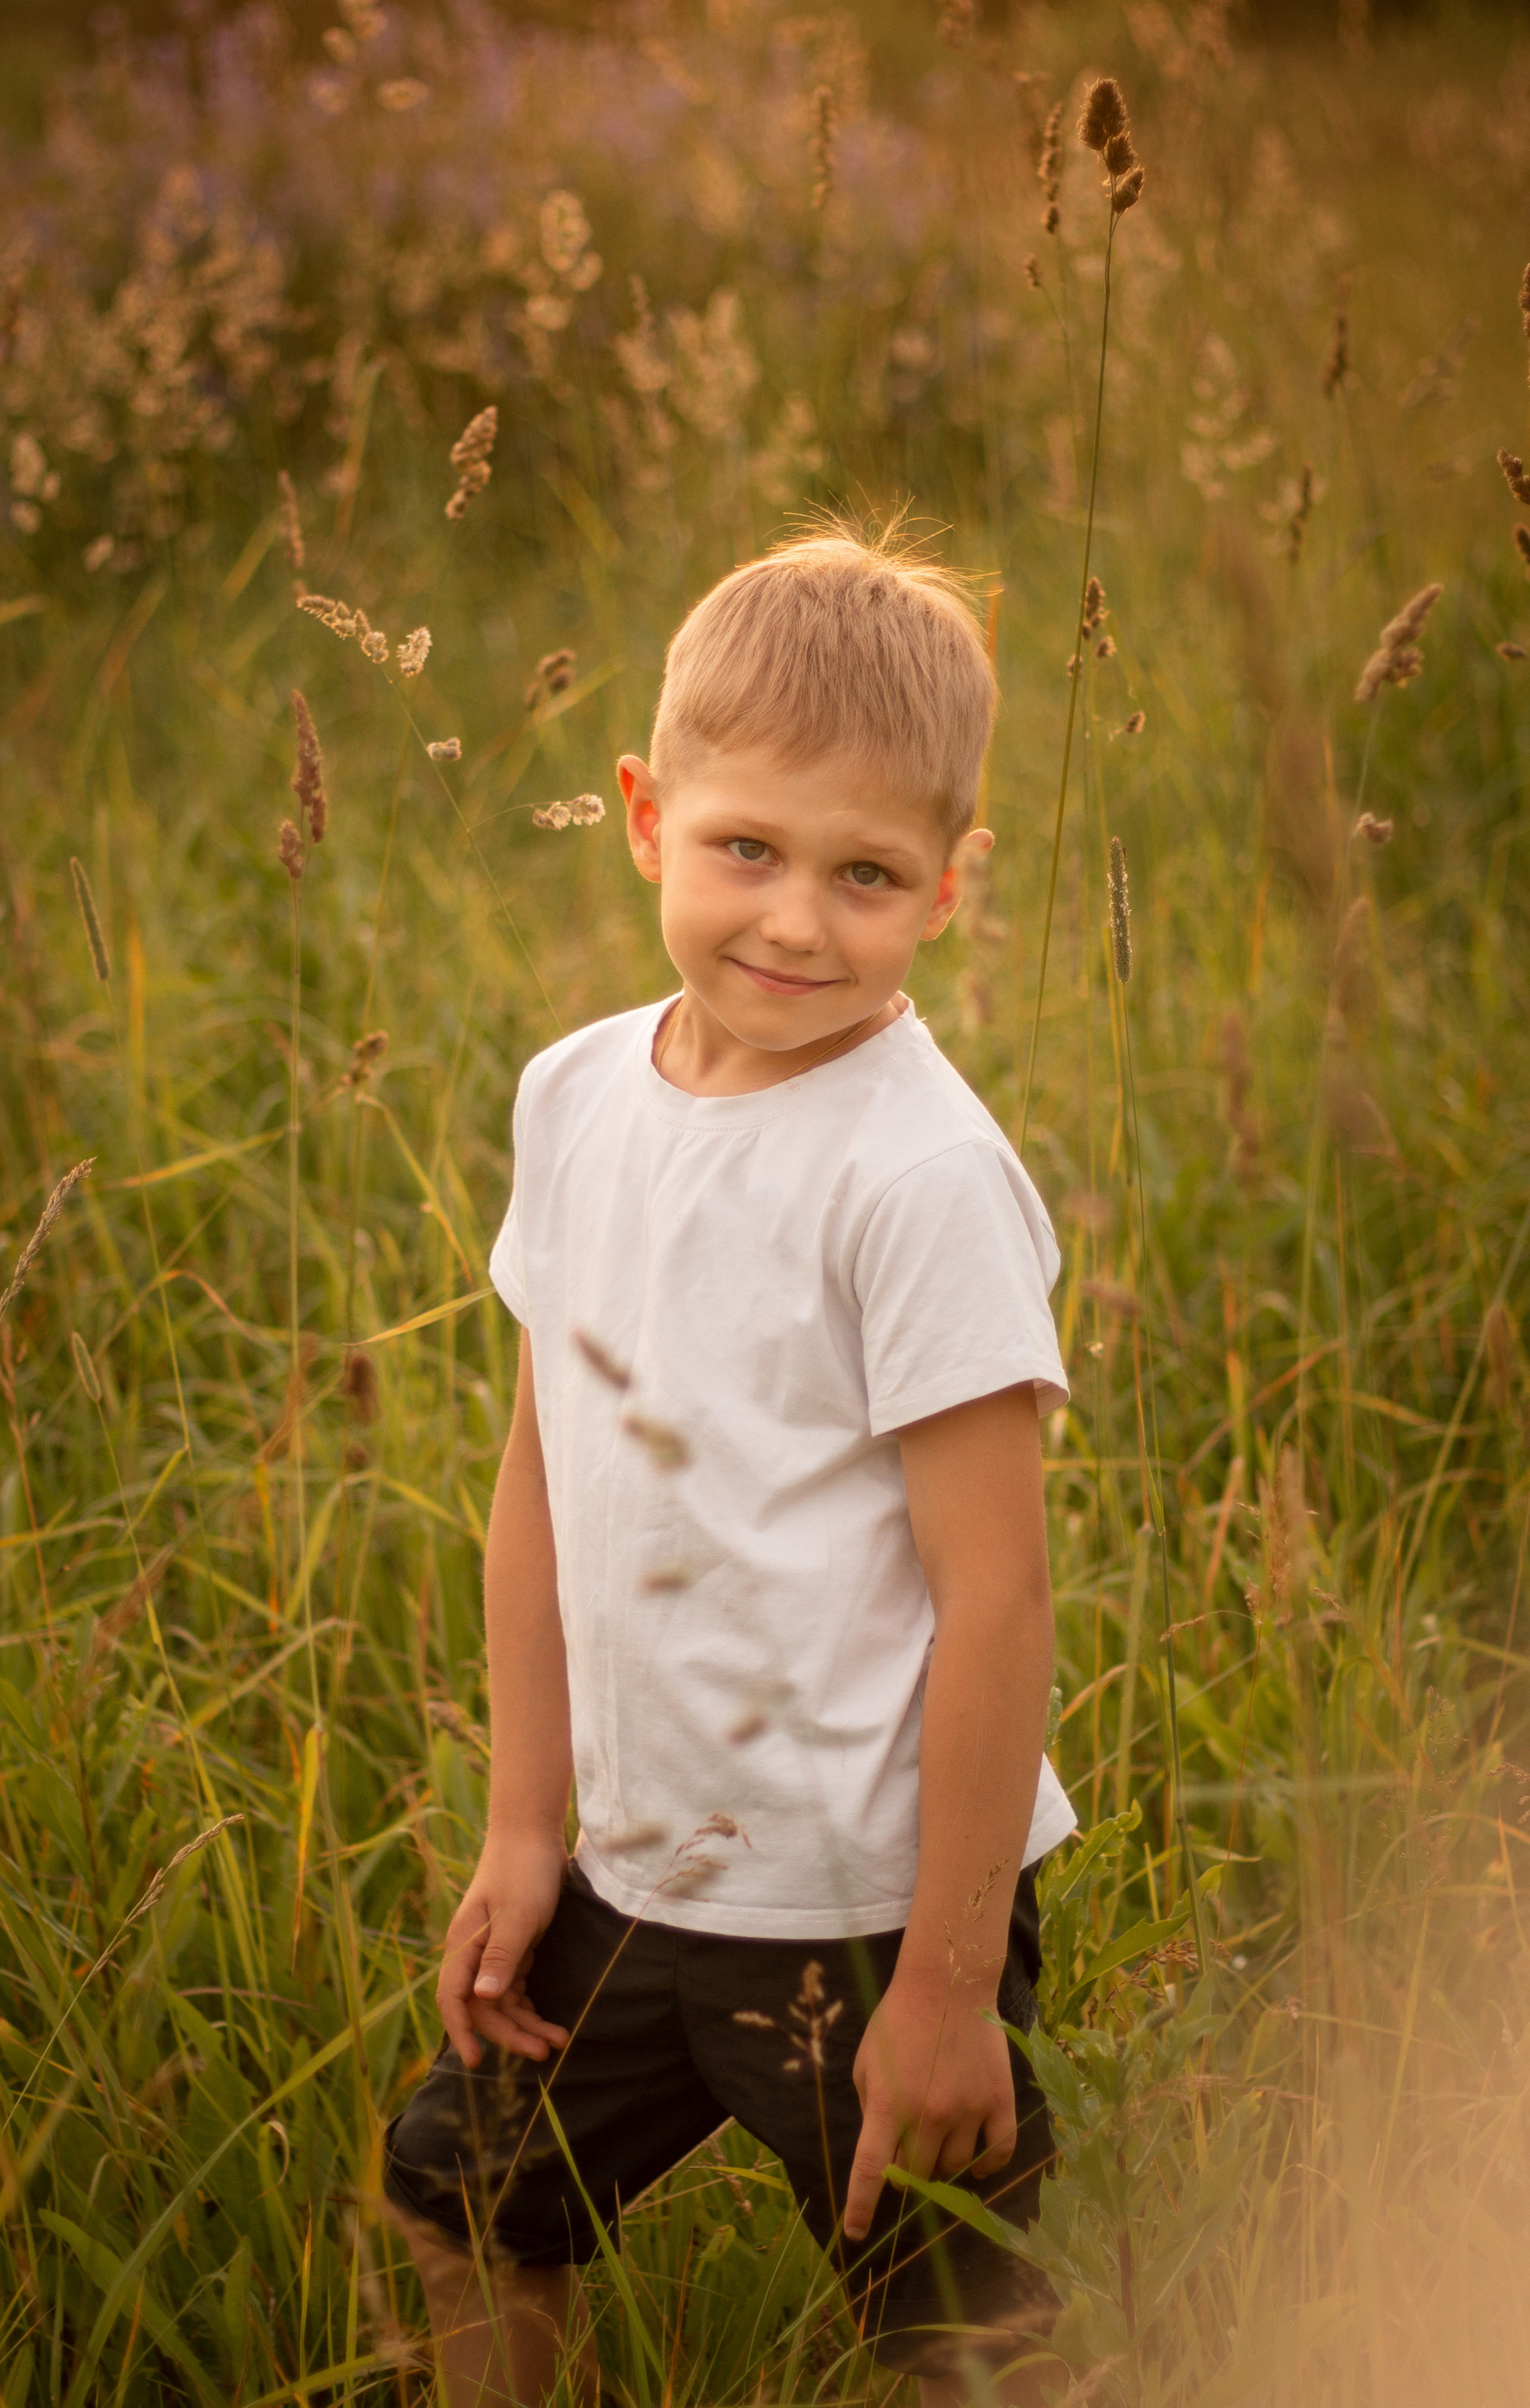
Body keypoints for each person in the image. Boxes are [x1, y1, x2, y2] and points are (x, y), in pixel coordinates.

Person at [383, 521, 1075, 2406]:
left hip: (868, 1899)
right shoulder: (575, 1096)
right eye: (746, 850)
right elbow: (543, 1472)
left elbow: (995, 1598)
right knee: (463, 2202)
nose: (794, 923)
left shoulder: (919, 1179)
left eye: (867, 875)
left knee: (955, 2337)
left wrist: (948, 1985)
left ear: (950, 887)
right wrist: (527, 1827)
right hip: (628, 1864)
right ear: (644, 814)